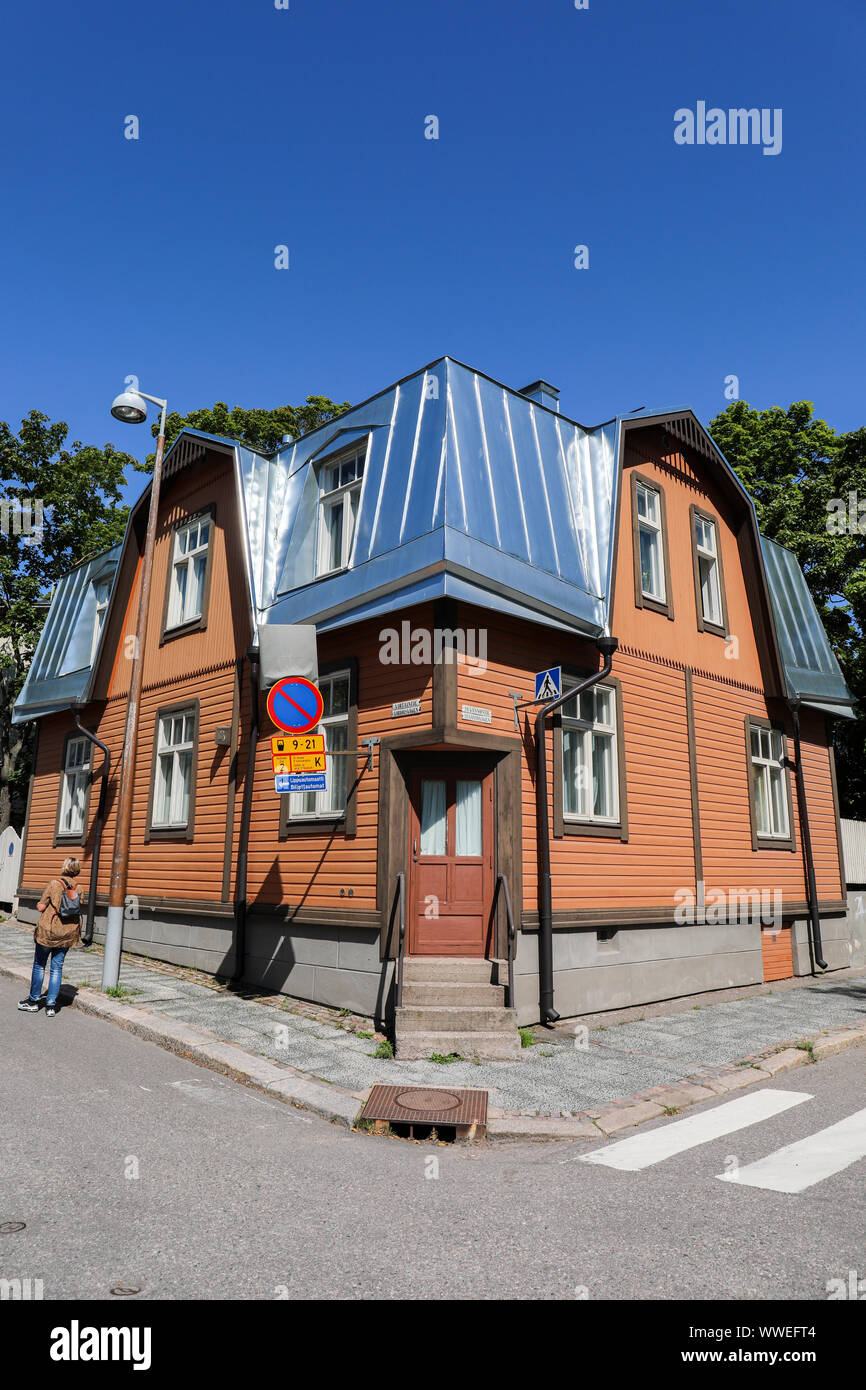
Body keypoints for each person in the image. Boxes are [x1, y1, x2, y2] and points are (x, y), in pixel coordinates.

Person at [18, 857, 83, 1017]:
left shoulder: (54, 884)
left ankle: (33, 1002)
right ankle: (51, 1006)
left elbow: (41, 906)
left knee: (40, 965)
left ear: (64, 867)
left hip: (49, 931)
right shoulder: (79, 887)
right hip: (67, 932)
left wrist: (42, 905)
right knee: (57, 968)